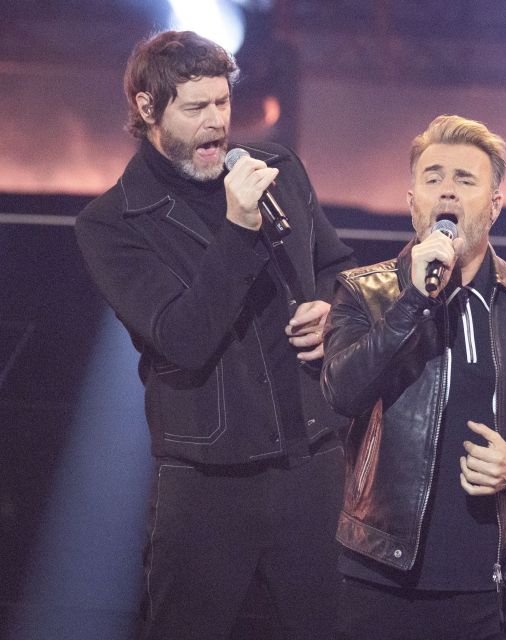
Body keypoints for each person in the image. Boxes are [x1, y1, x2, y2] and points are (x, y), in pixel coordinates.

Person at [74, 31, 355, 640]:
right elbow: (183, 337)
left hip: (311, 456)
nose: (216, 123)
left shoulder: (277, 169)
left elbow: (334, 265)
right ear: (148, 109)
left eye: (222, 104)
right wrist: (236, 228)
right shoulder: (114, 223)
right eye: (195, 108)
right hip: (207, 479)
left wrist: (330, 307)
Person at [320, 115, 506, 639]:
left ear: (494, 205)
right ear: (412, 201)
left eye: (465, 180)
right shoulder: (364, 293)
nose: (447, 189)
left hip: (500, 580)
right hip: (382, 580)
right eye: (433, 178)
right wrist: (413, 302)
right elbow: (343, 390)